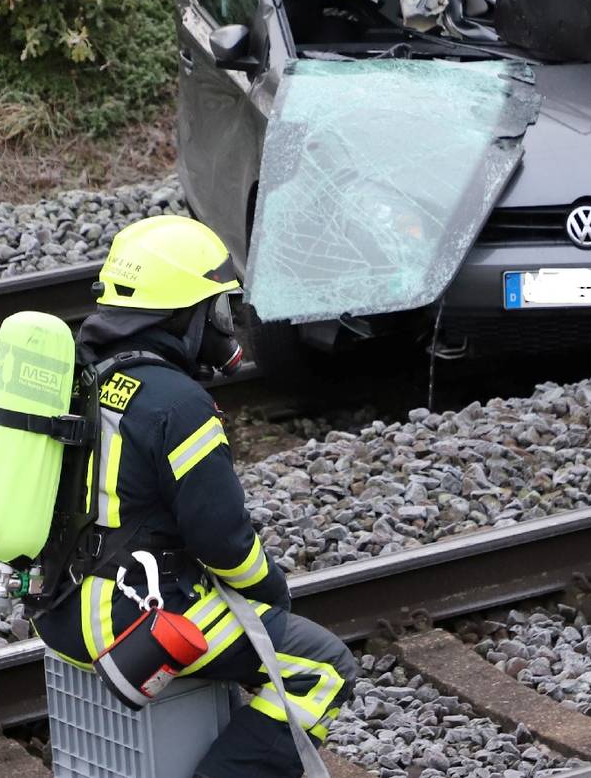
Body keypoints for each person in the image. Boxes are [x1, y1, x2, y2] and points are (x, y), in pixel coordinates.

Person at [33, 215, 358, 778]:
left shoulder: (80, 376)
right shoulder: (178, 404)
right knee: (322, 665)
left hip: (59, 605)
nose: (223, 325)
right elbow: (223, 539)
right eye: (217, 310)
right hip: (131, 619)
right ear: (185, 314)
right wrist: (272, 594)